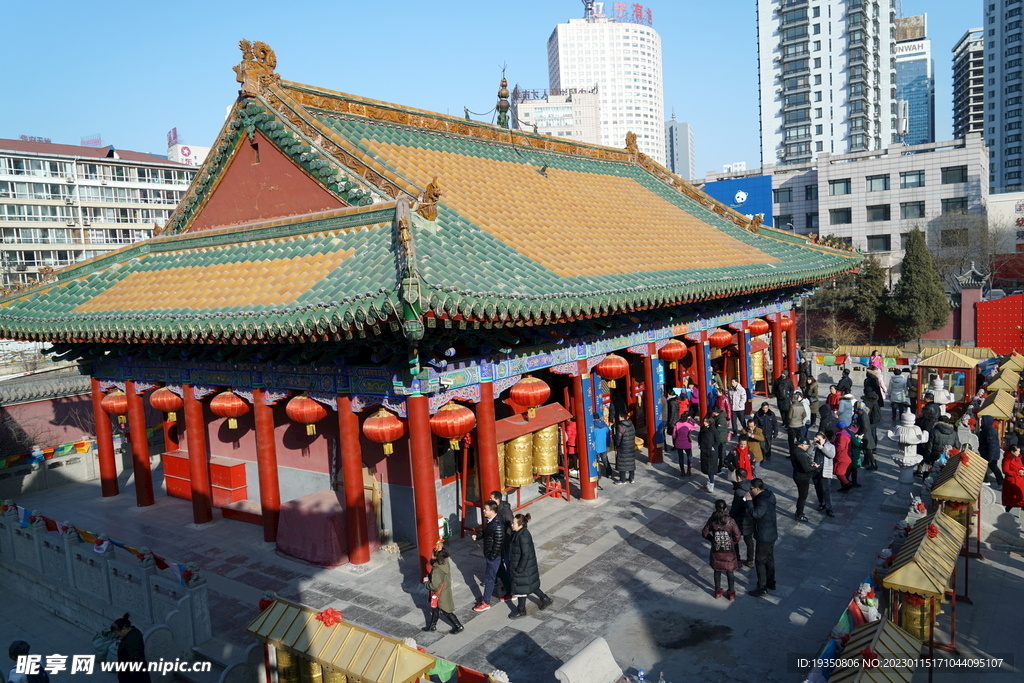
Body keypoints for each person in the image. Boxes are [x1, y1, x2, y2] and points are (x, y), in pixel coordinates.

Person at [507, 513, 553, 618]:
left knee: (521, 589)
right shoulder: (519, 533)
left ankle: (521, 610)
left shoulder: (522, 536)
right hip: (525, 567)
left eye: (514, 523)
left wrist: (519, 568)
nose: (512, 525)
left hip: (523, 567)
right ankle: (545, 599)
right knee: (529, 585)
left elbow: (525, 554)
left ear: (521, 525)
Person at [701, 499, 742, 600]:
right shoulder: (731, 521)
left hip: (717, 549)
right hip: (729, 550)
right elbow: (737, 535)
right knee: (730, 571)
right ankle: (731, 593)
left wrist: (713, 540)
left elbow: (704, 533)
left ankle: (718, 592)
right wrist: (731, 542)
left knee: (717, 570)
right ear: (725, 509)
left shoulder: (713, 520)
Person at [472, 501, 509, 612]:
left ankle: (486, 601)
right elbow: (486, 532)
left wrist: (491, 557)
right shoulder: (491, 521)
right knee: (501, 572)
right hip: (493, 555)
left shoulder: (497, 525)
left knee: (489, 578)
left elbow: (498, 543)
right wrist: (478, 536)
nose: (484, 511)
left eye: (486, 509)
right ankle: (511, 592)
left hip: (493, 556)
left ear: (492, 511)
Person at [744, 478, 778, 597]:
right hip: (772, 533)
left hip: (764, 535)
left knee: (760, 561)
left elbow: (756, 514)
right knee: (769, 559)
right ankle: (771, 582)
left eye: (751, 489)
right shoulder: (769, 495)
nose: (750, 491)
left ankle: (762, 587)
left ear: (757, 489)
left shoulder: (762, 501)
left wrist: (749, 501)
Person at [423, 546, 465, 633]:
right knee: (435, 609)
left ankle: (458, 626)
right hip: (444, 590)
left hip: (440, 593)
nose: (431, 555)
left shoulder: (437, 570)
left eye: (432, 554)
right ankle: (432, 626)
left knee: (446, 611)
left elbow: (434, 586)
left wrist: (426, 583)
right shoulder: (444, 563)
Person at [111, 614, 151, 683]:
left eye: (117, 632)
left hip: (132, 676)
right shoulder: (135, 632)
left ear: (123, 629)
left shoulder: (132, 641)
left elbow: (136, 662)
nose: (117, 635)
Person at [730, 469, 756, 569]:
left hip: (739, 520)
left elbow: (735, 507)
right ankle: (750, 560)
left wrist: (730, 517)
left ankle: (737, 559)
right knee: (749, 540)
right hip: (749, 518)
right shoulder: (751, 486)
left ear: (738, 477)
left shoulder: (739, 491)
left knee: (735, 539)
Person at [791, 437, 817, 522]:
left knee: (802, 496)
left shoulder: (796, 451)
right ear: (802, 445)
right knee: (803, 496)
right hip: (802, 477)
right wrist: (814, 467)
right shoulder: (801, 454)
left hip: (797, 475)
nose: (807, 447)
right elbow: (806, 468)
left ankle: (799, 512)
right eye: (807, 446)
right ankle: (799, 513)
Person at [811, 431, 836, 517]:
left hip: (825, 471)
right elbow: (808, 454)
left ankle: (829, 508)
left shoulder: (830, 446)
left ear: (824, 439)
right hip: (815, 470)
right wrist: (813, 444)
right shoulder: (813, 445)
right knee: (818, 488)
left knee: (826, 490)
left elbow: (831, 455)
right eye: (816, 438)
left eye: (819, 439)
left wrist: (822, 448)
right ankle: (822, 503)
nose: (817, 440)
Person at [698, 415, 722, 493]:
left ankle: (711, 483)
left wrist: (713, 448)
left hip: (712, 453)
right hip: (704, 451)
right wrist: (700, 445)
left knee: (711, 469)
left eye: (706, 421)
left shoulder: (714, 430)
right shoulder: (703, 429)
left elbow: (718, 441)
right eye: (704, 421)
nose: (704, 423)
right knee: (706, 468)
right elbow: (699, 437)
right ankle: (709, 480)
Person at [981, 415, 1004, 488]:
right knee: (993, 467)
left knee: (986, 466)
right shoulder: (987, 429)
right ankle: (1000, 482)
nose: (981, 422)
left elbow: (992, 445)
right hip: (988, 453)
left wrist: (990, 457)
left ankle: (986, 481)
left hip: (990, 454)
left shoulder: (990, 430)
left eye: (983, 421)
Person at [613, 416, 638, 484]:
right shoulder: (631, 424)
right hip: (630, 446)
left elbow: (618, 438)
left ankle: (622, 479)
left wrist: (617, 445)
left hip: (623, 447)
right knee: (631, 462)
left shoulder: (620, 426)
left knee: (622, 463)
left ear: (621, 417)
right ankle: (631, 478)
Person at [672, 411, 698, 477]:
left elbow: (674, 435)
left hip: (678, 443)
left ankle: (682, 472)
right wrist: (691, 419)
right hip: (687, 443)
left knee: (681, 458)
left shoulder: (677, 424)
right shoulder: (688, 425)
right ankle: (689, 470)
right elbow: (696, 425)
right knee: (689, 457)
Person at [855, 401, 878, 471]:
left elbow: (865, 427)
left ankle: (873, 464)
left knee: (868, 451)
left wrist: (860, 434)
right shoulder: (862, 414)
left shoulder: (863, 415)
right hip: (865, 435)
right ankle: (866, 461)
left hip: (865, 436)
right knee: (866, 450)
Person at [1002, 445, 1024, 512]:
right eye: (1017, 451)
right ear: (1012, 452)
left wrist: (1022, 469)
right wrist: (1017, 473)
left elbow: (1020, 466)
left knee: (1021, 497)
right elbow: (1005, 471)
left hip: (1020, 481)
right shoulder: (1007, 460)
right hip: (1012, 482)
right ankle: (1006, 512)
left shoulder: (1018, 458)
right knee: (1011, 500)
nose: (1019, 453)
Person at [834, 421, 854, 492]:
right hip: (846, 456)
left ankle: (847, 484)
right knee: (844, 473)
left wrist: (833, 448)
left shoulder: (841, 436)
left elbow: (840, 447)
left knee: (838, 472)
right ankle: (844, 487)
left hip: (842, 457)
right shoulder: (846, 434)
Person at [591, 413, 612, 481]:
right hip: (603, 446)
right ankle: (609, 473)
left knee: (596, 461)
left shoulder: (593, 427)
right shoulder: (605, 426)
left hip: (596, 447)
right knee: (605, 460)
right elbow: (608, 436)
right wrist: (608, 443)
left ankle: (598, 474)